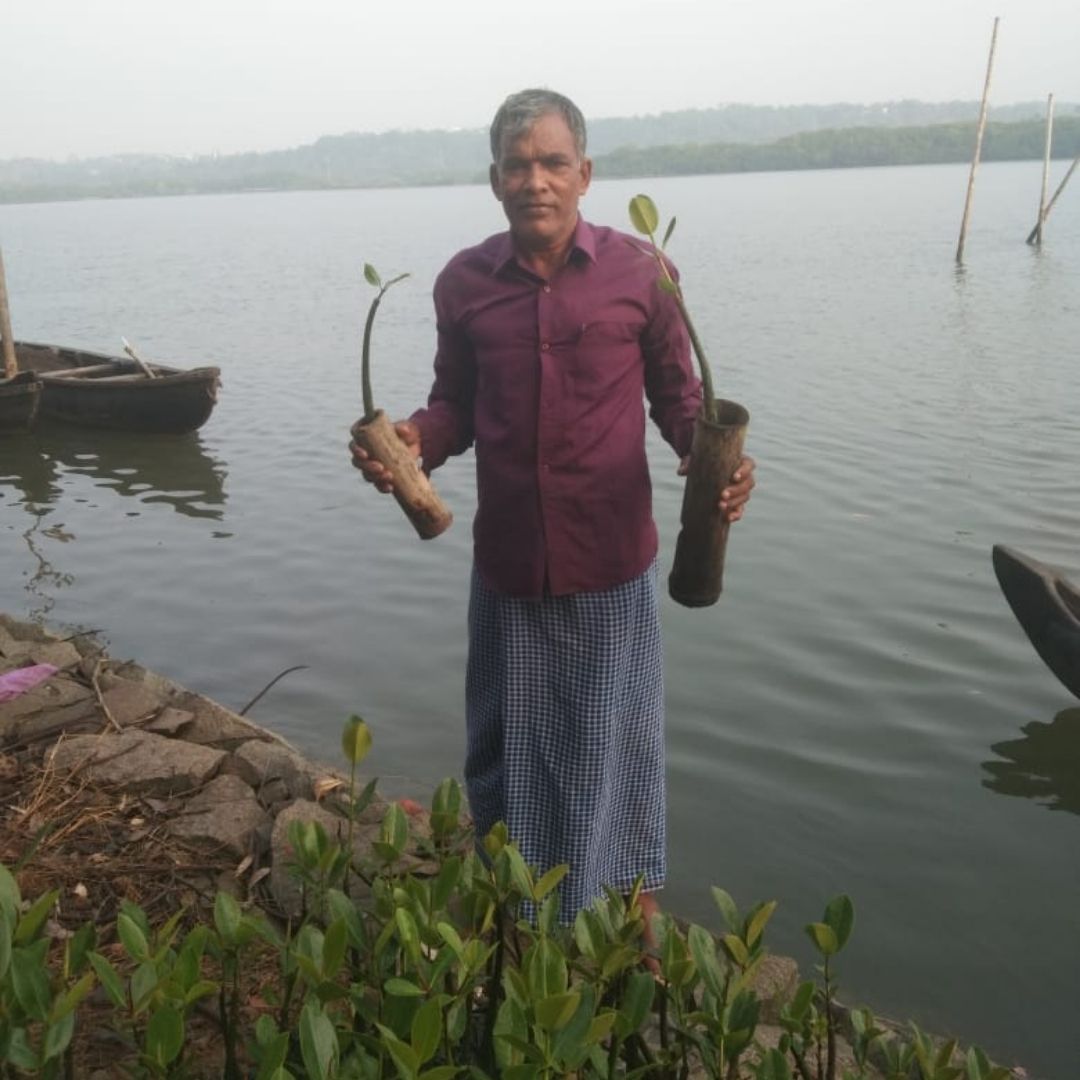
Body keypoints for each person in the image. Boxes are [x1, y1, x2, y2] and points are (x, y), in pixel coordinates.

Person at [351, 88, 755, 924]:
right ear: (495, 179)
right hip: (507, 569)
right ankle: (519, 921)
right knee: (508, 755)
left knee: (615, 754)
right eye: (517, 164)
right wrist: (410, 442)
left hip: (609, 565)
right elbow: (454, 406)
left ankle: (623, 930)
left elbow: (681, 405)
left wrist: (716, 461)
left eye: (553, 163)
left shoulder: (644, 272)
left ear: (586, 175)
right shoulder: (464, 283)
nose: (535, 179)